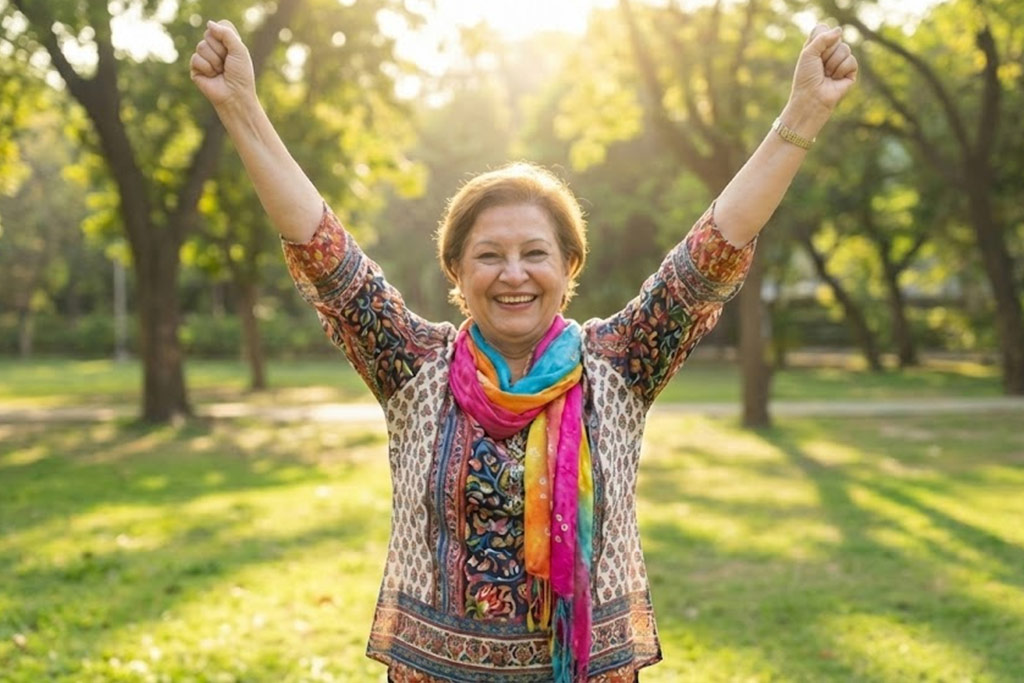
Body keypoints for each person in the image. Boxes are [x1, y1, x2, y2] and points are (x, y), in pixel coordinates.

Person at [190, 16, 857, 683]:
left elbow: (713, 250)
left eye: (535, 253)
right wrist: (240, 107)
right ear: (456, 272)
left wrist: (802, 113)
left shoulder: (617, 365)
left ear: (569, 266)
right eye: (489, 255)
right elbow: (323, 250)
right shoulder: (414, 367)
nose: (513, 274)